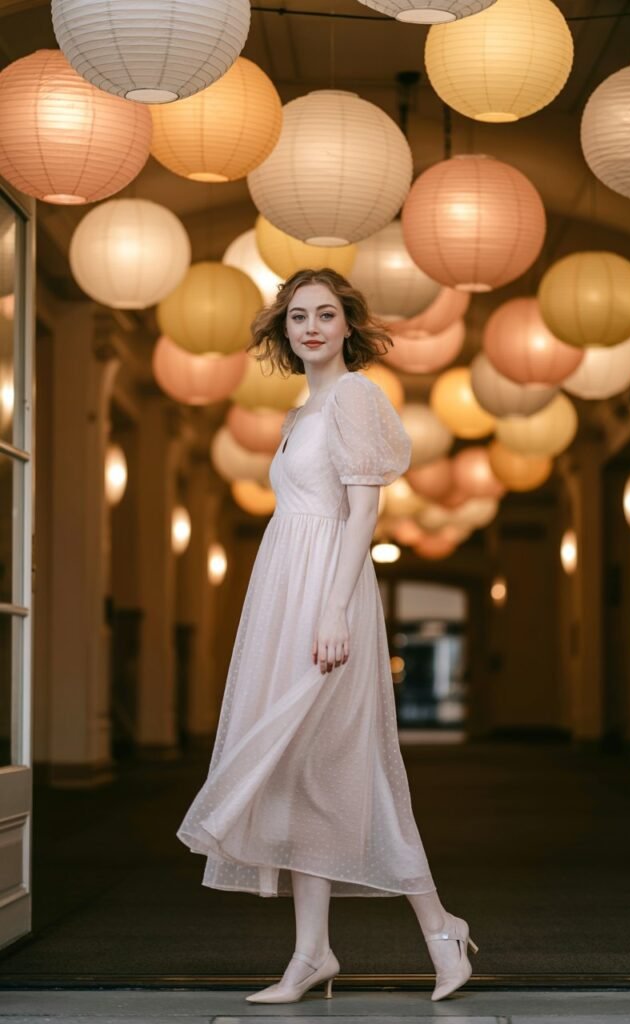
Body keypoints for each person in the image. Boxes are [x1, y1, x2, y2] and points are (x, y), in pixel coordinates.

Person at [176, 267, 479, 1004]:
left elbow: (363, 516)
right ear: (284, 330)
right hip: (287, 593)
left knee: (353, 767)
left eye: (325, 314)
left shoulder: (354, 398)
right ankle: (312, 953)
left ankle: (442, 926)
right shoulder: (297, 415)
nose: (310, 327)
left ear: (348, 325)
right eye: (297, 317)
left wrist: (334, 608)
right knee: (299, 775)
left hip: (326, 597)